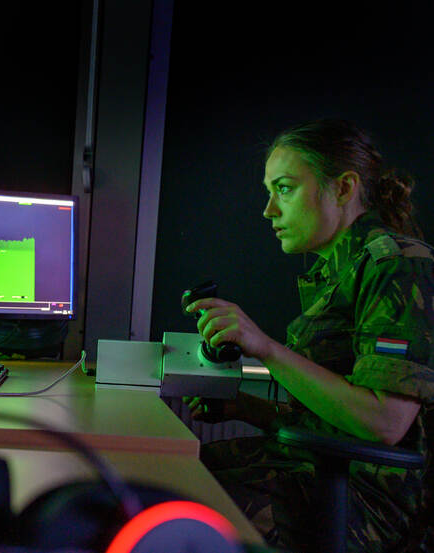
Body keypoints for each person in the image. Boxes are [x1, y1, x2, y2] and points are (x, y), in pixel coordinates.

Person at [182, 119, 434, 552]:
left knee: (180, 514)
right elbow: (337, 419)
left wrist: (266, 348)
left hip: (368, 504)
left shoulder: (395, 263)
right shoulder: (340, 269)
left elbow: (385, 423)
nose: (269, 210)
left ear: (343, 188)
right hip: (315, 470)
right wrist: (248, 408)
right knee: (167, 474)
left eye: (284, 189)